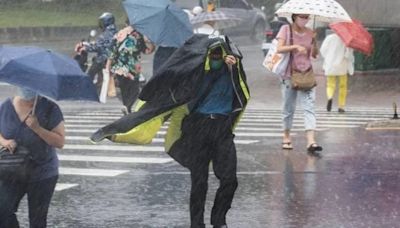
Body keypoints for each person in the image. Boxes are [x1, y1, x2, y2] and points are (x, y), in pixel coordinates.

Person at [90, 35, 250, 228]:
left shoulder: (234, 72)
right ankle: (196, 224)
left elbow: (241, 92)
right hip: (198, 127)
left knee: (229, 179)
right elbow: (169, 94)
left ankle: (219, 221)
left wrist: (233, 69)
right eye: (213, 55)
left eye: (220, 55)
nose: (217, 59)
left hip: (222, 129)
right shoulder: (197, 72)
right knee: (199, 180)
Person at [0, 87, 65, 228]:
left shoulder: (50, 108)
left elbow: (60, 142)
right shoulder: (5, 107)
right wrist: (5, 142)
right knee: (3, 212)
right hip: (12, 171)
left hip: (42, 172)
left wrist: (37, 128)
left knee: (37, 220)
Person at [276, 14, 322, 155]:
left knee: (309, 107)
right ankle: (286, 135)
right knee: (288, 108)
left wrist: (314, 41)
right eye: (302, 17)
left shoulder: (309, 32)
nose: (305, 19)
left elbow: (314, 55)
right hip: (289, 75)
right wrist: (295, 46)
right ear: (294, 17)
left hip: (306, 74)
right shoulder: (286, 29)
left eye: (307, 17)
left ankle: (311, 141)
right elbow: (279, 48)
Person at [106, 23, 155, 115]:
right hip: (132, 68)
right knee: (135, 90)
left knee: (124, 89)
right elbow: (147, 51)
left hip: (119, 67)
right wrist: (150, 42)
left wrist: (108, 67)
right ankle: (127, 107)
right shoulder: (138, 35)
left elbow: (112, 53)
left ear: (126, 24)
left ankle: (126, 108)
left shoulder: (119, 34)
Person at [79, 12, 117, 89]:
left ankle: (87, 87)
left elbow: (97, 47)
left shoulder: (105, 34)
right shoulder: (114, 31)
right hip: (113, 57)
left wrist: (86, 48)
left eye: (102, 22)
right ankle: (100, 82)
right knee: (95, 60)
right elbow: (104, 44)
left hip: (104, 58)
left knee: (91, 72)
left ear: (106, 22)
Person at [320, 32, 354, 113]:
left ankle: (330, 97)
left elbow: (322, 50)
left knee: (330, 85)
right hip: (342, 66)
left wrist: (328, 57)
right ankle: (341, 106)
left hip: (330, 65)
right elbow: (348, 54)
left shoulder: (329, 38)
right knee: (343, 86)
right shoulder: (347, 39)